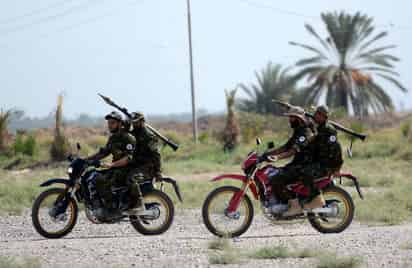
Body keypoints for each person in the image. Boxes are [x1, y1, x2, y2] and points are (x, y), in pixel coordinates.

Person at [261, 107, 314, 217]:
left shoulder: (305, 133)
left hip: (303, 166)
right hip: (297, 164)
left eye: (291, 118)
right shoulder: (298, 131)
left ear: (298, 119)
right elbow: (285, 147)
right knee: (272, 174)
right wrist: (267, 154)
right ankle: (283, 203)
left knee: (277, 178)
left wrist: (277, 158)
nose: (289, 120)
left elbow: (292, 151)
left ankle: (295, 206)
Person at [86, 111, 137, 218]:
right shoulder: (113, 138)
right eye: (108, 123)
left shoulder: (128, 138)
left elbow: (129, 158)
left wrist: (111, 165)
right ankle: (100, 205)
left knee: (102, 180)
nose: (109, 125)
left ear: (119, 124)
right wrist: (85, 160)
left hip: (127, 169)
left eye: (112, 123)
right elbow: (103, 153)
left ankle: (112, 209)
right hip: (116, 168)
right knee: (93, 176)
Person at [300, 105, 343, 210]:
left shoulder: (329, 130)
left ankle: (316, 200)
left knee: (306, 173)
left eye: (317, 114)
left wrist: (337, 168)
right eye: (315, 113)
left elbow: (337, 149)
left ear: (323, 116)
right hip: (318, 162)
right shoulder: (319, 128)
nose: (314, 115)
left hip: (325, 165)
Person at [126, 112, 162, 208]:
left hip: (147, 167)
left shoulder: (149, 136)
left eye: (136, 122)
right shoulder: (132, 134)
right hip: (136, 165)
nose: (134, 125)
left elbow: (156, 155)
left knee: (131, 179)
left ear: (142, 122)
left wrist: (158, 171)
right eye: (133, 123)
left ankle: (138, 204)